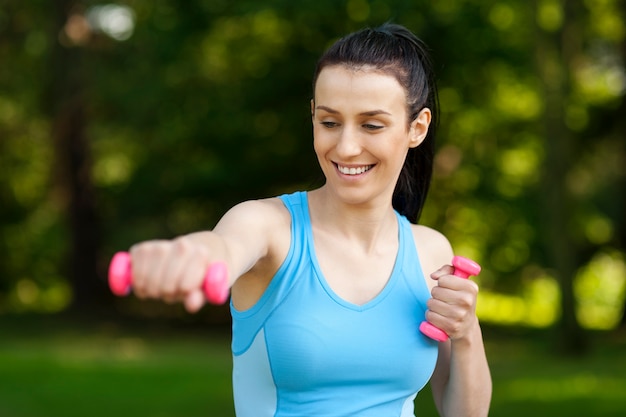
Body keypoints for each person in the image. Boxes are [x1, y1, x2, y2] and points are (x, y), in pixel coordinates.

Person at [126, 23, 492, 417]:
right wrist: (190, 257)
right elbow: (223, 247)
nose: (347, 147)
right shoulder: (268, 227)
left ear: (416, 128)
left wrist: (467, 332)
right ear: (313, 116)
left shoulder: (430, 251)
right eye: (330, 122)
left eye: (372, 125)